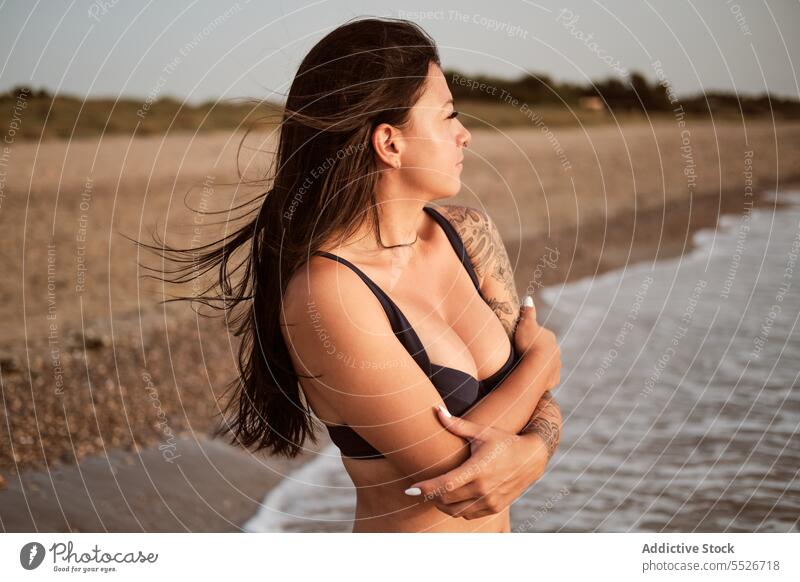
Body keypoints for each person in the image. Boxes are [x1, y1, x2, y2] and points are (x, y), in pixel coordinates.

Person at [135, 16, 562, 532]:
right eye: (448, 116)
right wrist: (542, 360)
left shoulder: (468, 234)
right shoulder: (329, 294)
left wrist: (534, 441)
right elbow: (456, 480)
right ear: (390, 143)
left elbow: (530, 410)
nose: (464, 135)